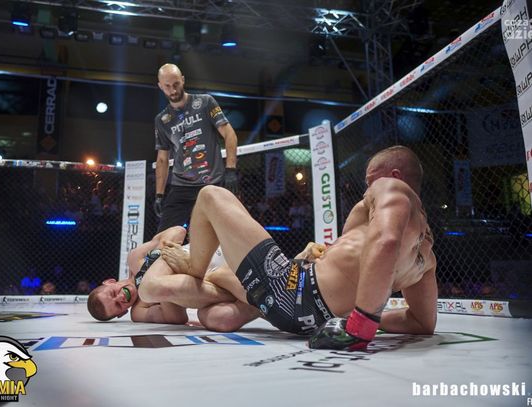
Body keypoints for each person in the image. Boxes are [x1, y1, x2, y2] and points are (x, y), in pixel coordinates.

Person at [186, 145, 438, 351]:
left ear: (394, 176)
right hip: (312, 321)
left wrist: (360, 325)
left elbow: (387, 241)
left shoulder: (392, 187)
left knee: (210, 195)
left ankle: (192, 272)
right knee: (213, 316)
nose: (368, 190)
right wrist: (352, 318)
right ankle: (236, 299)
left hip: (294, 288)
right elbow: (421, 322)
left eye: (371, 181)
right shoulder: (426, 257)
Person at [87, 226, 258, 330]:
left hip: (214, 254)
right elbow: (177, 318)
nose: (120, 298)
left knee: (152, 288)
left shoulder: (135, 259)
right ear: (121, 313)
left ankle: (259, 292)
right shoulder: (139, 311)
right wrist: (163, 278)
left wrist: (160, 266)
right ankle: (262, 303)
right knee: (217, 319)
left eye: (113, 293)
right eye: (118, 305)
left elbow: (178, 231)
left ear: (110, 282)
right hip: (212, 284)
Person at [153, 63, 239, 232]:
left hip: (212, 182)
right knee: (163, 236)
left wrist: (231, 170)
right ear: (160, 86)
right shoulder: (162, 120)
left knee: (220, 234)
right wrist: (159, 195)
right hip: (181, 186)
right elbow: (162, 159)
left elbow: (229, 134)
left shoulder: (205, 102)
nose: (173, 90)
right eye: (167, 86)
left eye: (176, 84)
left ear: (183, 80)